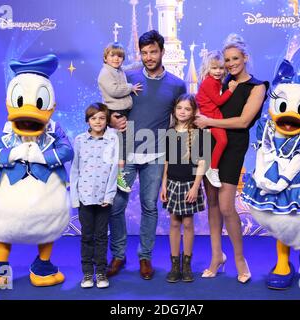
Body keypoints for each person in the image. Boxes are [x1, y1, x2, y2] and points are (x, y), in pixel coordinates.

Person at [107, 30, 187, 280]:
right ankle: (118, 255)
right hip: (126, 155)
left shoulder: (176, 84)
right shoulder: (127, 77)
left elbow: (181, 120)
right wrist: (111, 119)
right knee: (117, 205)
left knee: (149, 206)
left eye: (153, 51)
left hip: (156, 155)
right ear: (139, 54)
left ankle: (145, 257)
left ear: (162, 51)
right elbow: (107, 105)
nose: (149, 57)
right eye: (144, 52)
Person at [194, 34, 269, 283]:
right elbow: (203, 102)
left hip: (233, 146)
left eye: (235, 58)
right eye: (227, 60)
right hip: (209, 142)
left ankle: (239, 259)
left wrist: (209, 121)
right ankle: (217, 257)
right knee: (212, 204)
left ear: (245, 58)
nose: (230, 64)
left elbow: (243, 121)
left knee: (227, 206)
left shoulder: (257, 86)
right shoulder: (220, 80)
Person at [70, 103, 119, 289]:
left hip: (103, 199)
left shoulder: (112, 140)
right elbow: (75, 170)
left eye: (101, 118)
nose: (97, 122)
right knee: (86, 236)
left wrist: (109, 195)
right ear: (88, 120)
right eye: (93, 118)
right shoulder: (80, 140)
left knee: (101, 236)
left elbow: (115, 169)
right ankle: (87, 273)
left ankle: (101, 271)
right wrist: (75, 197)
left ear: (107, 121)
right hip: (84, 197)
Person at [160, 94, 206, 283]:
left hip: (189, 184)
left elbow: (202, 162)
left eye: (187, 109)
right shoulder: (169, 132)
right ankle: (174, 264)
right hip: (172, 183)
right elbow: (166, 162)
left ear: (193, 111)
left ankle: (187, 264)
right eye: (180, 108)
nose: (183, 112)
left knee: (188, 224)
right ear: (174, 110)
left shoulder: (198, 133)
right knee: (174, 223)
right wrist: (164, 184)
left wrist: (196, 186)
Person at [97, 42, 142, 193]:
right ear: (105, 57)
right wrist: (130, 87)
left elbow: (128, 68)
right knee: (121, 146)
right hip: (116, 112)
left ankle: (119, 174)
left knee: (125, 145)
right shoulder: (105, 73)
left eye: (120, 56)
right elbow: (114, 90)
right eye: (112, 55)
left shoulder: (117, 70)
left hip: (123, 110)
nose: (116, 59)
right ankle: (118, 175)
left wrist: (140, 62)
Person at [196, 50, 237, 188]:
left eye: (221, 68)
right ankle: (212, 169)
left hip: (212, 114)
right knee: (223, 140)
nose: (218, 71)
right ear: (208, 68)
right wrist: (231, 90)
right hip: (210, 115)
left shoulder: (216, 81)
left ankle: (212, 168)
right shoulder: (209, 82)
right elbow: (219, 101)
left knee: (222, 141)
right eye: (214, 68)